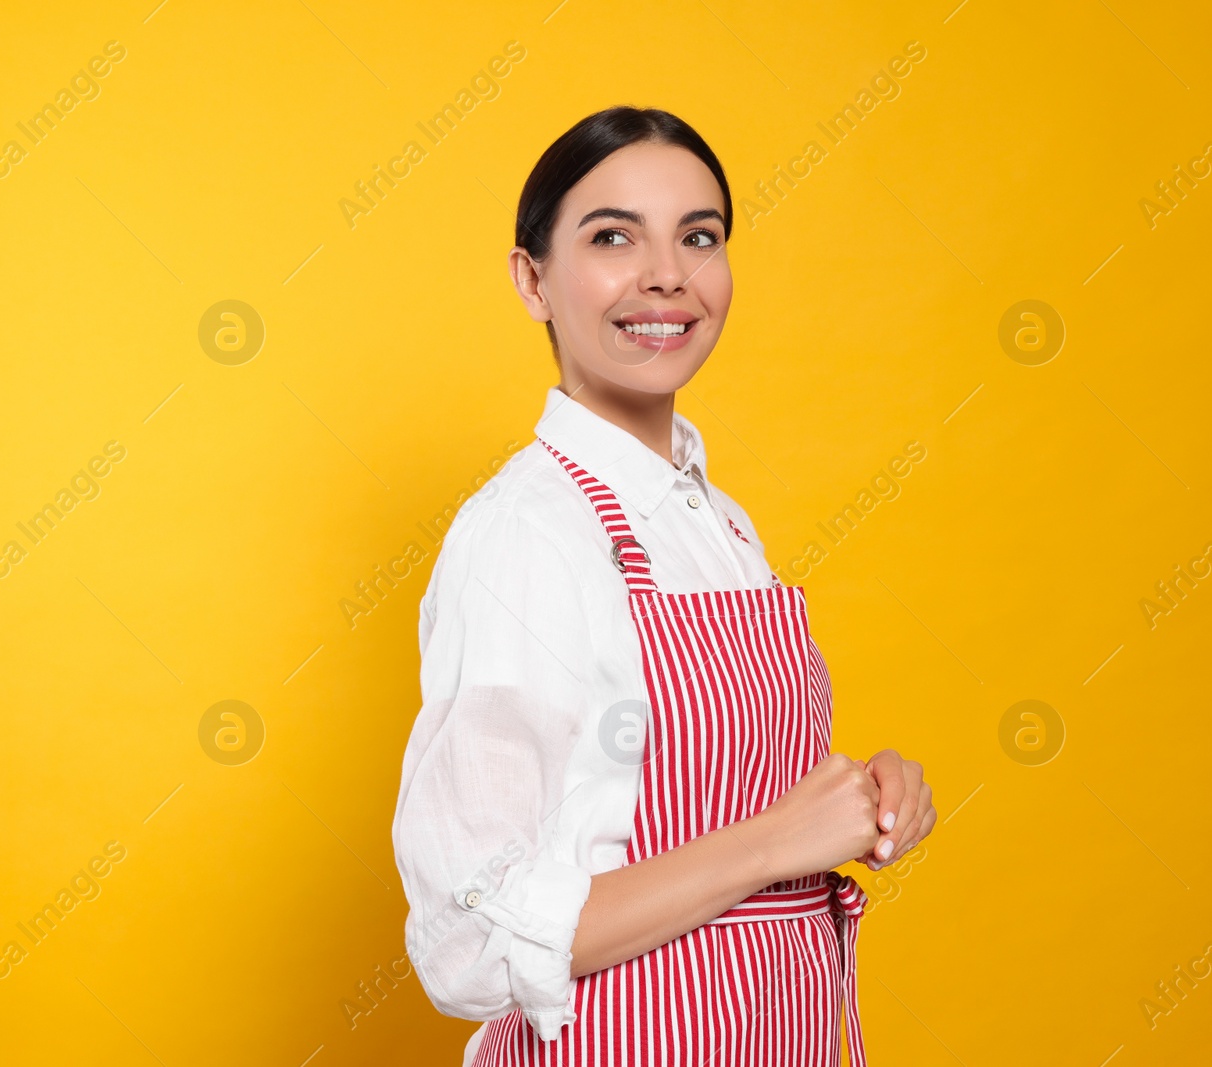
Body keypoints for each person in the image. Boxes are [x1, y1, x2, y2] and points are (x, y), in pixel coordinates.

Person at [390, 106, 937, 1066]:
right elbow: (466, 938)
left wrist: (863, 799)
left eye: (700, 237)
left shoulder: (716, 521)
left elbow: (678, 789)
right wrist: (777, 841)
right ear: (533, 280)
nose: (667, 276)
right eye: (612, 237)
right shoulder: (528, 534)